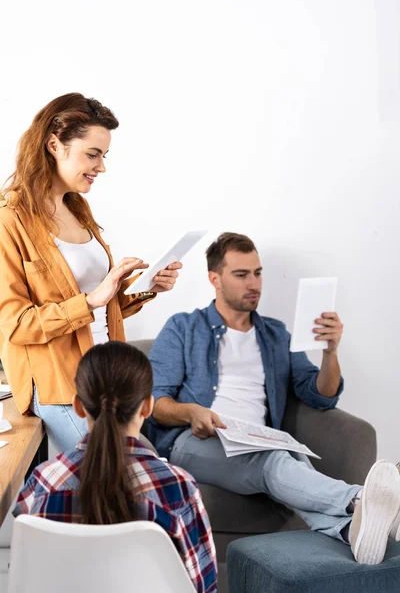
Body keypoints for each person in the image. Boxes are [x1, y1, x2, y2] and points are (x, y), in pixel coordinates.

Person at [148, 231, 400, 565]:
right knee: (276, 460)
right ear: (215, 279)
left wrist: (330, 352)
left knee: (290, 459)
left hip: (256, 438)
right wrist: (192, 411)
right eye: (241, 274)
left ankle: (351, 533)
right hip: (195, 441)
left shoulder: (275, 334)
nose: (254, 283)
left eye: (258, 272)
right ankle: (360, 498)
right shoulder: (183, 328)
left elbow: (320, 395)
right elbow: (154, 403)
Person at [0, 93, 182, 452]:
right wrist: (91, 299)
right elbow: (14, 324)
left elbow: (101, 304)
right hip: (61, 388)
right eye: (93, 154)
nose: (101, 168)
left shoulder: (78, 208)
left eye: (104, 156)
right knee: (131, 476)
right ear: (54, 144)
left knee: (143, 473)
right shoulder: (10, 220)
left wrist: (146, 289)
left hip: (105, 381)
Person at [13, 341, 217, 592]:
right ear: (147, 407)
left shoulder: (44, 481)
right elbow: (203, 585)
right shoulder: (179, 488)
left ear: (78, 406)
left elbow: (24, 572)